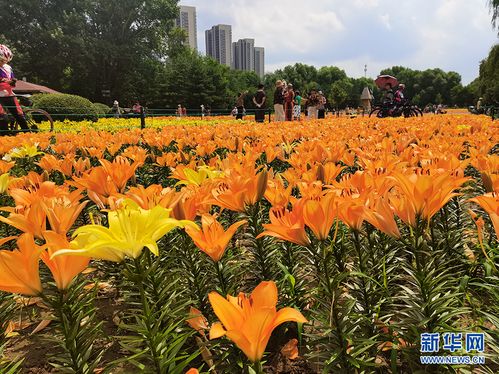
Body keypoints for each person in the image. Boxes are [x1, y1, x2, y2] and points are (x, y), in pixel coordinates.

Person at [0, 44, 30, 133]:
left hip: (8, 93)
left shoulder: (8, 68)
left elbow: (12, 80)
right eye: (1, 60)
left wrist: (12, 81)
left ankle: (28, 133)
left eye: (5, 61)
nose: (3, 62)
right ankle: (5, 137)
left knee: (19, 114)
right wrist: (3, 80)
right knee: (2, 117)